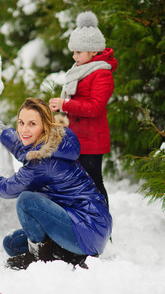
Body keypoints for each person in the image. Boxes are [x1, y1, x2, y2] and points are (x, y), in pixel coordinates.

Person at [0, 98, 112, 270]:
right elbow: (26, 149)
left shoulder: (43, 163)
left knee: (26, 200)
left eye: (32, 124)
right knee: (12, 244)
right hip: (81, 222)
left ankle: (40, 257)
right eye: (21, 122)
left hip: (88, 229)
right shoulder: (52, 142)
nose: (24, 129)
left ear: (45, 126)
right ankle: (70, 255)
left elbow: (8, 188)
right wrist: (4, 133)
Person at [49, 11, 117, 206]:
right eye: (74, 51)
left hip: (92, 139)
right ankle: (84, 217)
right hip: (77, 136)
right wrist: (62, 108)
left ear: (93, 51)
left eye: (78, 52)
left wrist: (65, 104)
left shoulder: (102, 74)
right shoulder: (82, 70)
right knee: (77, 181)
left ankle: (102, 222)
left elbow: (95, 108)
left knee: (94, 181)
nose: (74, 55)